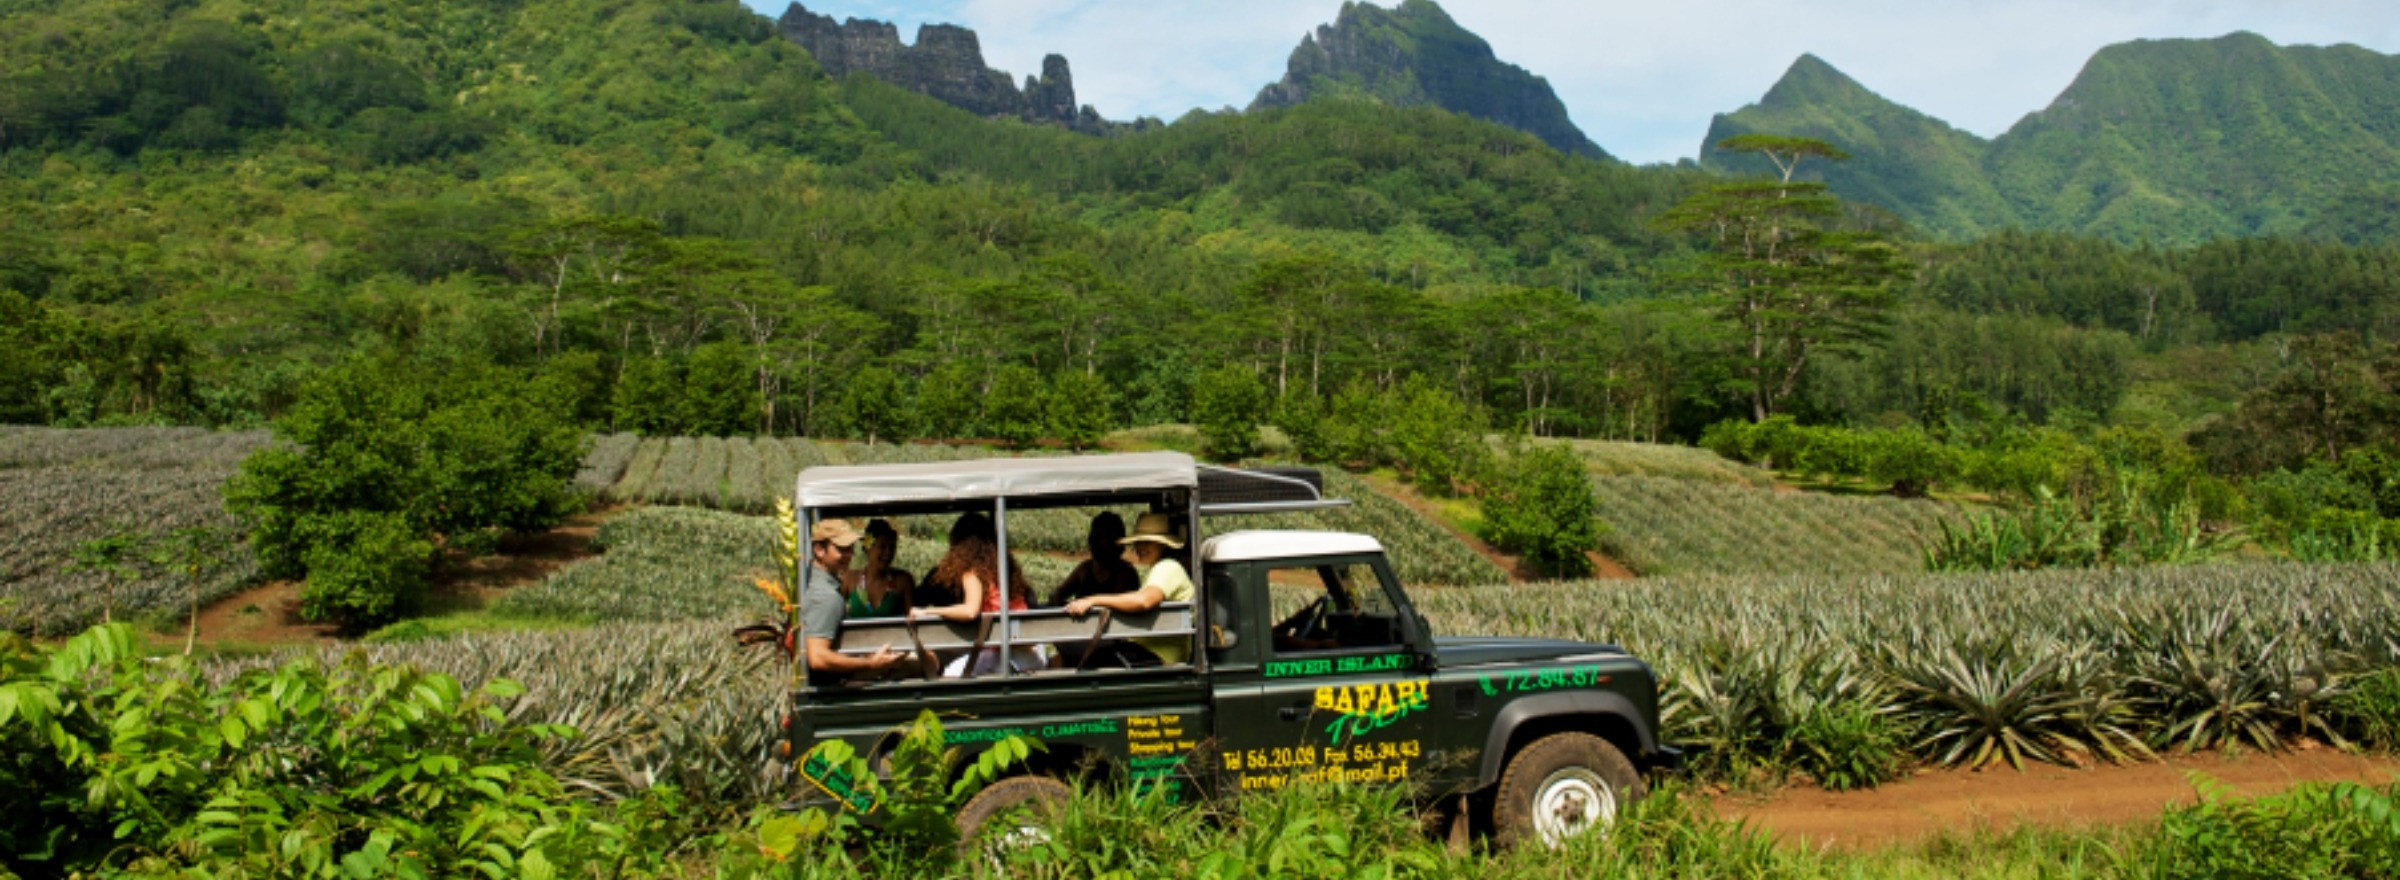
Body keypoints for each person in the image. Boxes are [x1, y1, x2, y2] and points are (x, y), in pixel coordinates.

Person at [913, 518, 1046, 675]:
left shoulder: (973, 572)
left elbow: (970, 611)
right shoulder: (1004, 569)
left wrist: (927, 612)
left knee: (950, 675)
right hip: (1034, 652)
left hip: (1009, 654)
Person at [1061, 512, 1193, 666]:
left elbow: (1144, 601)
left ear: (1163, 544)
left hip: (1157, 657)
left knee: (1088, 660)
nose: (1140, 547)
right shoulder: (1161, 568)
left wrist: (1092, 600)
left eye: (1148, 542)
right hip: (1143, 652)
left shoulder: (1168, 567)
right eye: (1138, 542)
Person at [799, 518, 907, 682]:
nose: (850, 555)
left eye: (850, 548)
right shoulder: (828, 596)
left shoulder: (814, 582)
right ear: (819, 550)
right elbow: (818, 658)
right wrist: (870, 663)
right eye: (842, 549)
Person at [1048, 512, 1140, 607]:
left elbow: (1119, 606)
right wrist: (1057, 598)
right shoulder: (1085, 568)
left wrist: (1088, 603)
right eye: (1093, 538)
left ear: (1114, 542)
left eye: (1100, 539)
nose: (1093, 544)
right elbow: (1059, 592)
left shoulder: (1126, 573)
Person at [843, 519, 914, 619]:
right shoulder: (850, 579)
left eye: (892, 547)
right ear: (868, 548)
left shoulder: (903, 580)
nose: (888, 552)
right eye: (882, 547)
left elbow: (913, 619)